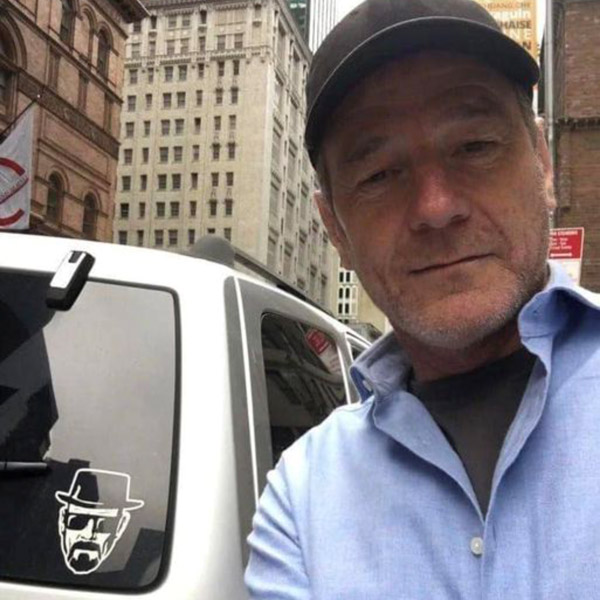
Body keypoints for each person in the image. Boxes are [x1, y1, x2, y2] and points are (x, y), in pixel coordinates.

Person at [246, 0, 600, 597]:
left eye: (475, 146)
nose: (436, 208)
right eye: (379, 175)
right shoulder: (300, 501)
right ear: (335, 230)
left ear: (542, 162)